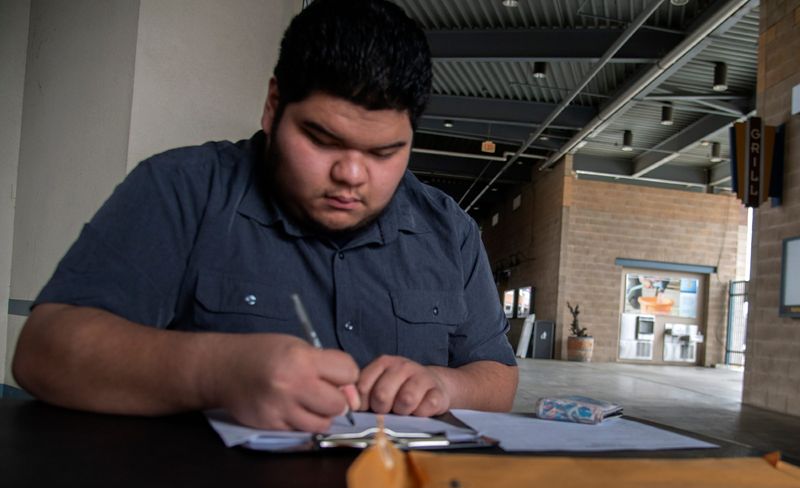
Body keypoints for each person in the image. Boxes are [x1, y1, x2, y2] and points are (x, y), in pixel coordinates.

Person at [12, 0, 518, 433]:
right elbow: (45, 353)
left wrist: (444, 384)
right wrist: (218, 371)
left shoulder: (448, 229)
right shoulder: (184, 189)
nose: (351, 175)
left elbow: (498, 376)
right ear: (273, 107)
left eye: (385, 152)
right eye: (322, 140)